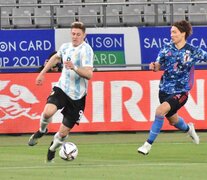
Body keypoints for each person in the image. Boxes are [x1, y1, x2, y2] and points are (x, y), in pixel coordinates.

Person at [138, 20, 207, 155]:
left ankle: (147, 145)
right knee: (173, 120)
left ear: (183, 34)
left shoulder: (193, 51)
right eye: (171, 32)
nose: (172, 35)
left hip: (181, 92)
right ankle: (189, 129)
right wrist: (154, 66)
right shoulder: (166, 48)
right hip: (164, 90)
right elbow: (158, 65)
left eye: (174, 32)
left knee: (159, 111)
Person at [28, 21, 94, 162]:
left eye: (78, 34)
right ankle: (42, 130)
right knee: (47, 112)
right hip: (62, 88)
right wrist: (42, 73)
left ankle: (52, 149)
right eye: (73, 34)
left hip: (78, 96)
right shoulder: (65, 47)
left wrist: (74, 67)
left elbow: (89, 74)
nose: (75, 37)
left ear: (84, 35)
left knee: (63, 133)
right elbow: (55, 57)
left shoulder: (86, 50)